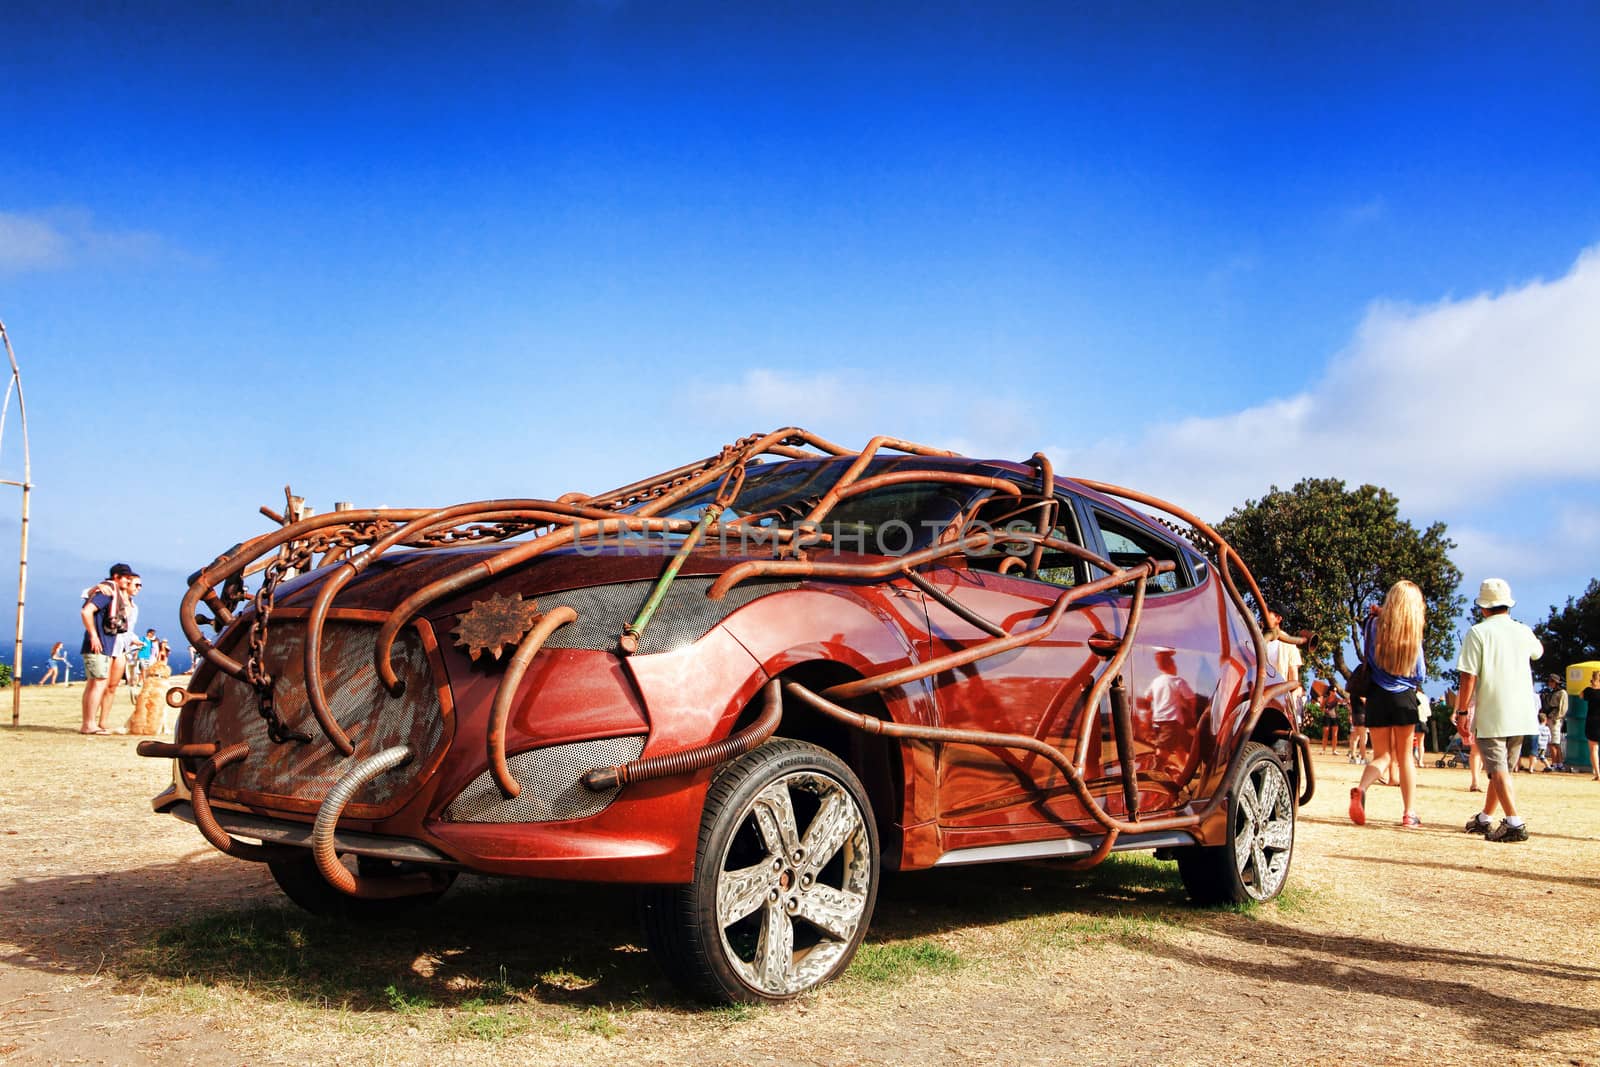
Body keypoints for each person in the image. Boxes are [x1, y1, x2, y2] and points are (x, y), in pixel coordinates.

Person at [1458, 578, 1542, 842]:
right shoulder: (1523, 630)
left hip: (1493, 710)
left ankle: (1514, 822)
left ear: (1483, 607)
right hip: (1522, 712)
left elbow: (1468, 676)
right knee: (1501, 768)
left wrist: (1462, 712)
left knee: (1497, 769)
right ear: (1508, 605)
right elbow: (1537, 652)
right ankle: (1485, 818)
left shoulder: (1478, 633)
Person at [1349, 580, 1427, 829]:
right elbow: (1420, 673)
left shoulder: (1372, 624)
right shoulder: (1414, 630)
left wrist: (1381, 613)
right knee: (1405, 757)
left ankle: (1361, 789)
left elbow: (1376, 634)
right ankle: (1409, 813)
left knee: (1381, 756)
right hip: (1404, 696)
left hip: (1376, 695)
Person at [79, 564, 134, 735]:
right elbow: (86, 611)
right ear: (117, 576)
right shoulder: (107, 592)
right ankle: (89, 724)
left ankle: (89, 723)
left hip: (103, 645)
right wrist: (94, 635)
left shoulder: (111, 592)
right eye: (126, 577)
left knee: (95, 683)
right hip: (99, 644)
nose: (129, 580)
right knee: (99, 683)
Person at [99, 573, 141, 730]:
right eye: (136, 585)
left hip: (123, 648)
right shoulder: (113, 597)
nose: (138, 588)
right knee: (101, 684)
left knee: (112, 686)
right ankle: (91, 719)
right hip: (109, 644)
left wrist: (135, 639)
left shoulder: (134, 607)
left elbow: (128, 630)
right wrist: (98, 587)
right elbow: (85, 593)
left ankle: (103, 720)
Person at [121, 640, 172, 736]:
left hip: (135, 729)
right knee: (161, 707)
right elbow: (163, 711)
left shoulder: (147, 684)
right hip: (153, 731)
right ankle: (164, 728)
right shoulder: (163, 685)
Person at [1541, 674, 1567, 771]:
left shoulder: (1562, 693)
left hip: (1555, 719)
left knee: (1555, 742)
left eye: (1551, 681)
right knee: (1552, 742)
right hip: (1550, 717)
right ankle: (1556, 763)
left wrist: (1557, 718)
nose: (1549, 683)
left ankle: (1558, 764)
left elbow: (1563, 708)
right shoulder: (1553, 693)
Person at [1584, 669, 1600, 782]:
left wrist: (1590, 685)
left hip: (1592, 722)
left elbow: (1580, 695)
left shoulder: (1588, 691)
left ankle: (1597, 773)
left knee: (1593, 749)